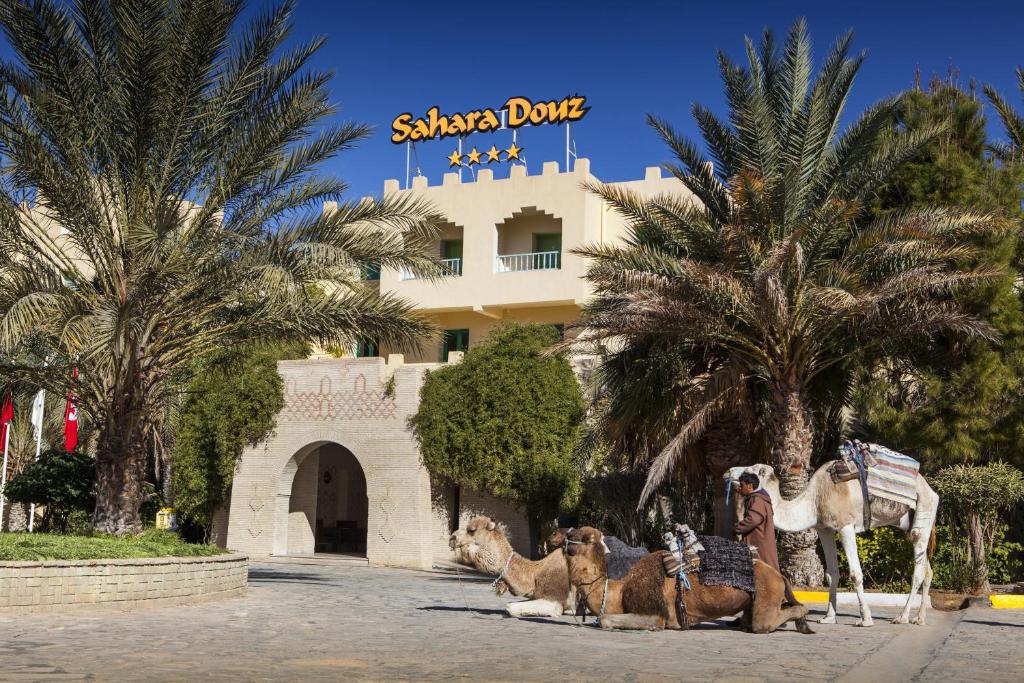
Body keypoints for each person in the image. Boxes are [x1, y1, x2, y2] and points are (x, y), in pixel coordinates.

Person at [733, 471, 780, 573]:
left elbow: (754, 519)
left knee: (767, 574)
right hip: (758, 542)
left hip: (760, 544)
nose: (740, 488)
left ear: (750, 486)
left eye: (742, 485)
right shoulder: (756, 498)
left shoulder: (757, 500)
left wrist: (738, 528)